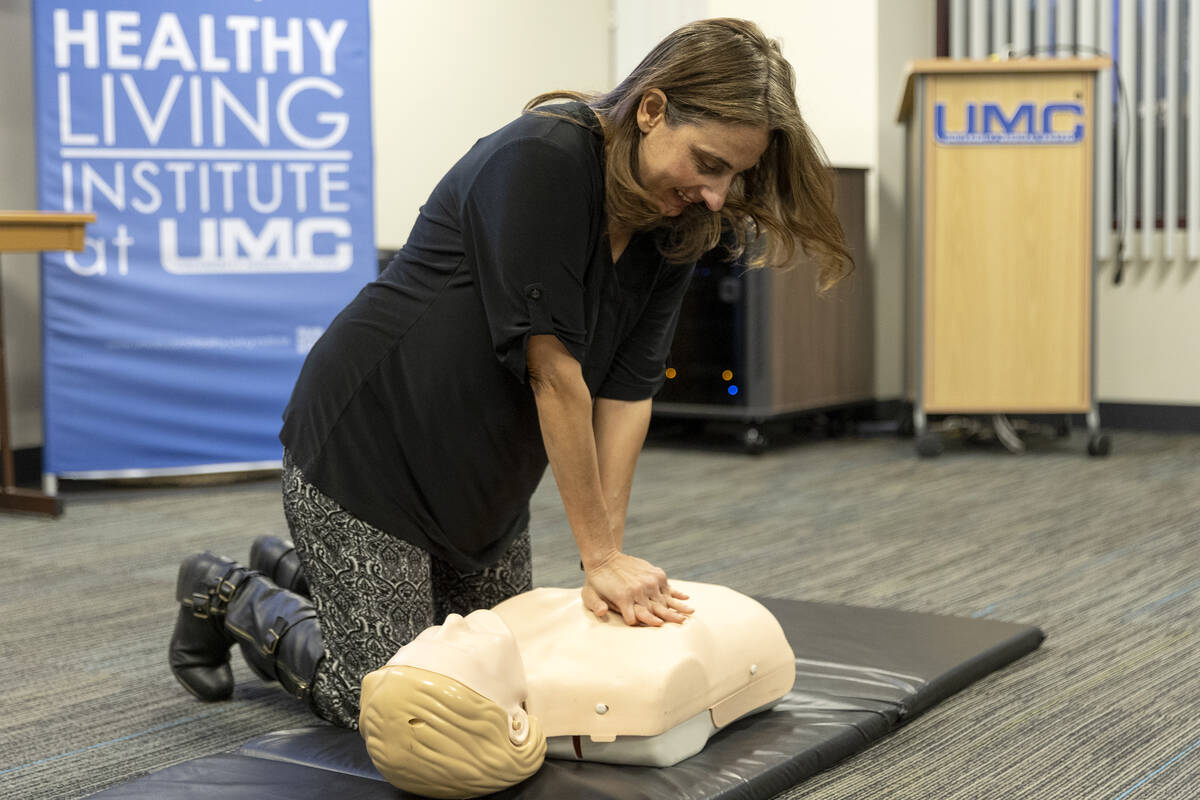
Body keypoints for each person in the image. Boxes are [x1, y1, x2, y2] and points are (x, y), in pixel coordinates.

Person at [168, 17, 852, 730]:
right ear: (652, 110)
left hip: (486, 473)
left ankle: (302, 569)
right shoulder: (544, 157)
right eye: (709, 163)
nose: (717, 193)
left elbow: (626, 392)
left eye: (734, 175)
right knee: (405, 703)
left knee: (502, 682)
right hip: (368, 447)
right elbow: (555, 376)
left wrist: (609, 556)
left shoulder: (676, 224)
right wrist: (596, 556)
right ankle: (228, 590)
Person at [359, 580, 795, 798]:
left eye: (434, 634)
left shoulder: (503, 630)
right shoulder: (636, 679)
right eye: (457, 644)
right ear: (515, 722)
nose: (453, 621)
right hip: (732, 620)